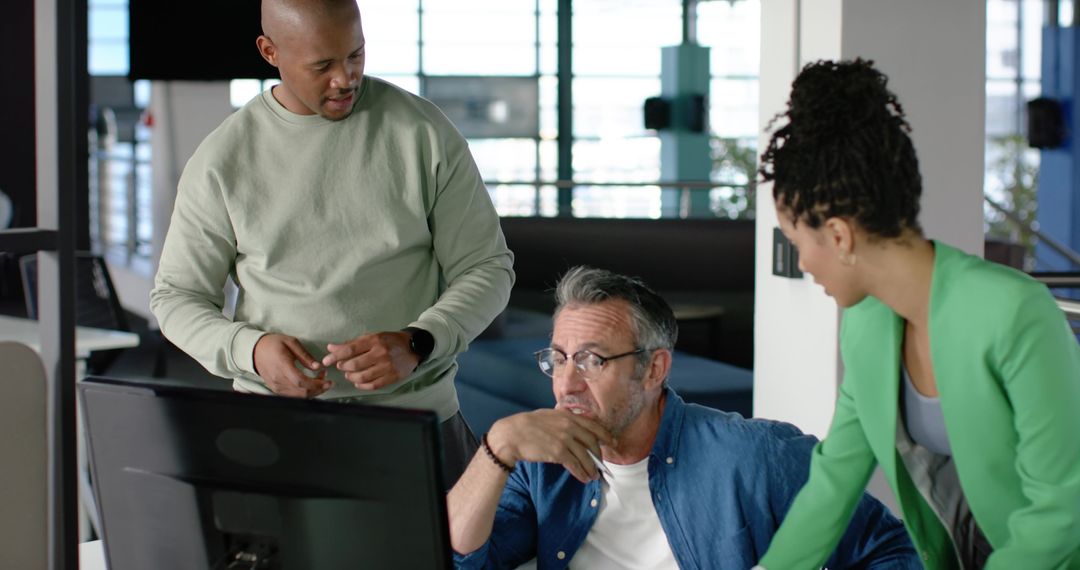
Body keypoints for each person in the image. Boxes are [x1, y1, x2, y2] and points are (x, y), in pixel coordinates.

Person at [149, 0, 514, 486]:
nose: (345, 78)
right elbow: (175, 297)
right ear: (269, 51)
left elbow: (488, 268)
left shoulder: (423, 133)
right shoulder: (222, 159)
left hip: (419, 422)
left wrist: (420, 340)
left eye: (355, 55)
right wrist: (250, 351)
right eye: (322, 65)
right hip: (276, 426)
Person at [756, 59, 1080, 570]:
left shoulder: (1013, 312)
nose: (800, 263)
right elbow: (833, 483)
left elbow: (1063, 507)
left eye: (797, 242)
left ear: (839, 237)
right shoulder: (867, 327)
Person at [448, 266, 919, 569]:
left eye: (591, 361)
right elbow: (461, 559)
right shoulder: (540, 463)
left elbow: (889, 551)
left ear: (653, 368)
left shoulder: (753, 455)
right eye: (558, 359)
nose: (566, 383)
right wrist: (499, 446)